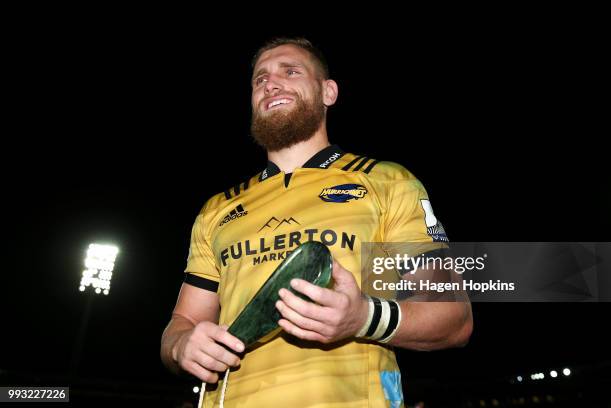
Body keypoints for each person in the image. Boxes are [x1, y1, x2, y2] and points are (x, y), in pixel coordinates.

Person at [161, 37, 473, 408]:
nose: (271, 83)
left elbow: (454, 318)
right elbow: (183, 321)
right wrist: (182, 345)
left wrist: (363, 318)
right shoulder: (218, 209)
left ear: (328, 92)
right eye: (259, 79)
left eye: (290, 72)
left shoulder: (386, 182)